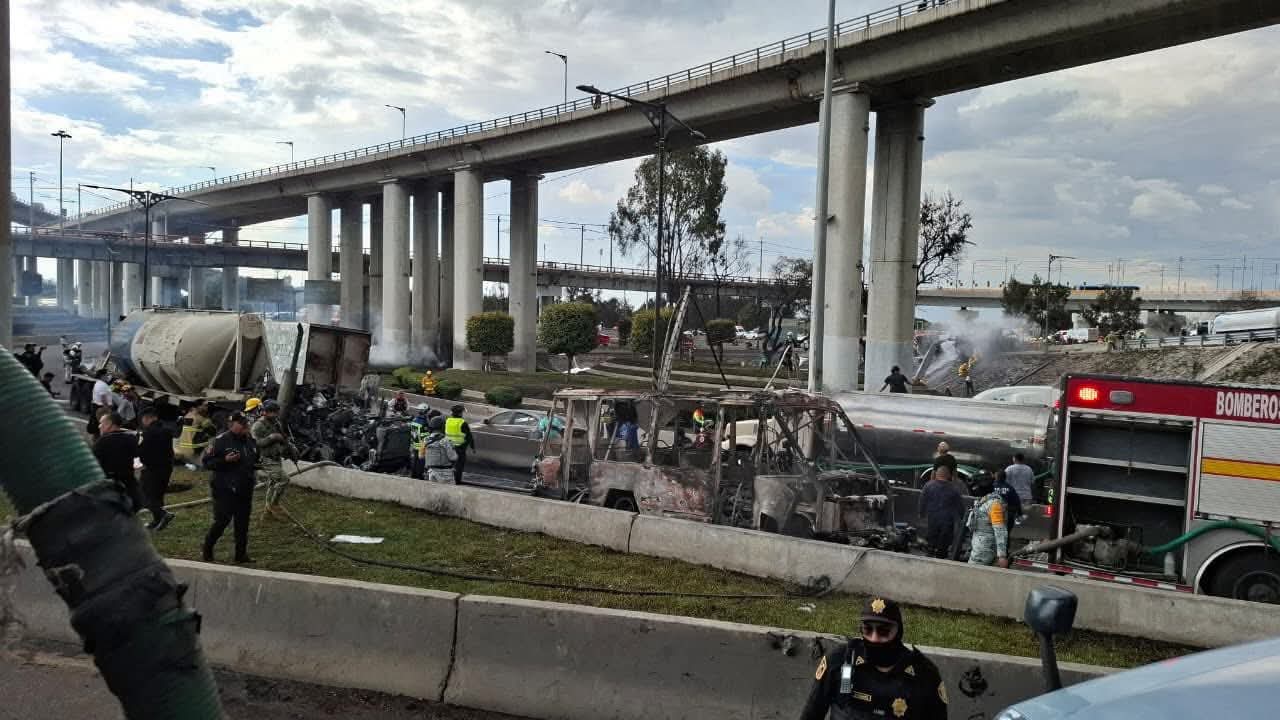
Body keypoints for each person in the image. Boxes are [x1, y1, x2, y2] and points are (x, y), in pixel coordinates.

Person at [798, 596, 948, 720]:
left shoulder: (924, 674)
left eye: (884, 631)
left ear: (899, 632)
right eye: (868, 630)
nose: (874, 638)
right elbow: (811, 713)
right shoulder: (840, 660)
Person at [202, 413, 258, 564]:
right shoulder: (220, 441)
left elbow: (254, 459)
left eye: (245, 423)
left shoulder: (250, 441)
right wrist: (225, 460)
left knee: (242, 524)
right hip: (224, 489)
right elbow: (206, 463)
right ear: (231, 424)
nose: (244, 425)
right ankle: (207, 549)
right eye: (240, 423)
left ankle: (241, 555)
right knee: (222, 521)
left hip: (244, 488)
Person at [93, 412, 144, 513]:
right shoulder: (131, 438)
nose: (99, 426)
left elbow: (92, 462)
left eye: (101, 423)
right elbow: (138, 458)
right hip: (129, 482)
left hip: (108, 484)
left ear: (109, 424)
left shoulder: (102, 441)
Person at [138, 407, 177, 531]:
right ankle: (157, 520)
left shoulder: (147, 433)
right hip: (166, 467)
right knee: (158, 495)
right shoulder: (167, 431)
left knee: (145, 495)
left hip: (151, 468)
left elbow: (142, 451)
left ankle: (163, 514)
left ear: (147, 418)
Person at [252, 400, 292, 517]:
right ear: (265, 412)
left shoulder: (275, 423)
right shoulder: (258, 426)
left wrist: (288, 446)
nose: (276, 415)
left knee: (273, 481)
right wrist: (271, 437)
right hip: (265, 458)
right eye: (273, 413)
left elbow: (282, 437)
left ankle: (268, 507)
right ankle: (274, 504)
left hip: (275, 457)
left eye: (276, 413)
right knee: (284, 480)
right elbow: (255, 443)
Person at [918, 464, 965, 560]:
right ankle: (941, 558)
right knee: (944, 544)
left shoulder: (929, 485)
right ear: (948, 476)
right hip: (947, 521)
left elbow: (922, 500)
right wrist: (961, 518)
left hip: (932, 518)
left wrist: (921, 513)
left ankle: (929, 554)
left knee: (931, 539)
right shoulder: (954, 489)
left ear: (936, 474)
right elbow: (960, 507)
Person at [967, 473, 1010, 568]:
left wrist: (1002, 556)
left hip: (984, 551)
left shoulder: (994, 504)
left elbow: (1000, 530)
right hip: (980, 546)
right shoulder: (984, 500)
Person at [420, 416, 458, 482]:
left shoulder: (425, 440)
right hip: (445, 473)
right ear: (442, 427)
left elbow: (421, 456)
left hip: (431, 472)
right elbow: (453, 457)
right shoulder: (446, 440)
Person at [444, 404, 474, 485]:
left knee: (448, 465)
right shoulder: (462, 423)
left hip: (447, 447)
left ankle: (447, 480)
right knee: (458, 466)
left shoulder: (447, 420)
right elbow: (469, 437)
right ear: (460, 413)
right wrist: (472, 447)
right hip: (459, 449)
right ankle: (456, 482)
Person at [88, 370, 113, 438]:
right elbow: (103, 398)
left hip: (98, 407)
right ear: (102, 376)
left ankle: (96, 440)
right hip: (102, 408)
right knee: (103, 425)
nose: (108, 377)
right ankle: (99, 441)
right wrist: (108, 409)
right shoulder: (102, 385)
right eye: (107, 375)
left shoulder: (99, 383)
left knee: (97, 426)